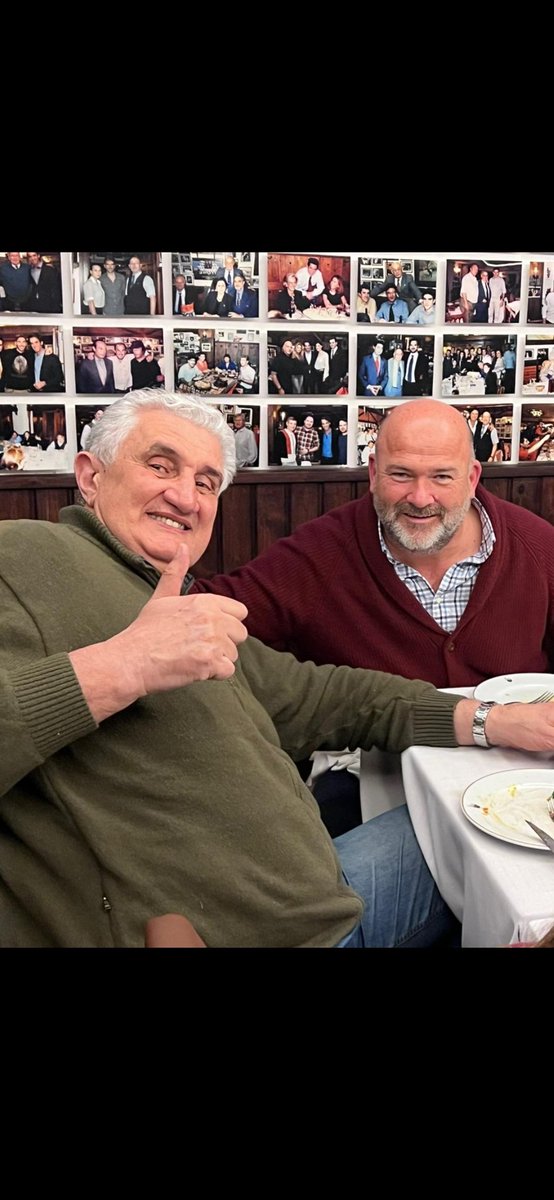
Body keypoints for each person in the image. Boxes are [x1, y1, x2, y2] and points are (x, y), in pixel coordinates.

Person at [3, 389, 554, 948]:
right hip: (256, 930)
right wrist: (123, 665)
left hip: (316, 891)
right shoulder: (22, 556)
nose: (184, 497)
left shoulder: (169, 599)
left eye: (205, 482)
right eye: (160, 466)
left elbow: (322, 697)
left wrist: (491, 720)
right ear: (90, 477)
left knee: (488, 837)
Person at [192, 399, 554, 833]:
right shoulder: (319, 553)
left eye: (442, 476)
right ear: (373, 473)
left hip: (520, 777)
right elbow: (212, 613)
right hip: (372, 774)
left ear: (473, 478)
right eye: (401, 474)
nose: (421, 499)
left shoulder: (538, 547)